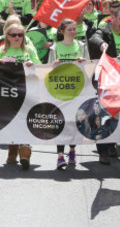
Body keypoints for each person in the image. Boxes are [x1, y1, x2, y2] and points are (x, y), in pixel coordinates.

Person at [0, 23, 40, 169]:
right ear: (7, 36)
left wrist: (33, 64)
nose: (17, 37)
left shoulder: (30, 50)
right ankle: (12, 152)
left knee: (26, 120)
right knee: (12, 122)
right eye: (14, 35)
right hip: (8, 93)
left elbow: (41, 66)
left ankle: (25, 152)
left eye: (20, 35)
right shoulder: (1, 50)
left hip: (27, 91)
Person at [88, 6, 120, 164]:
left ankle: (111, 143)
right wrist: (102, 45)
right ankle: (103, 151)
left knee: (116, 114)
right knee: (102, 115)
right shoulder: (104, 31)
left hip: (119, 81)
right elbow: (94, 38)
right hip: (105, 79)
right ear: (113, 17)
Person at [48, 19, 89, 169]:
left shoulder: (82, 46)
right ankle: (60, 156)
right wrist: (54, 66)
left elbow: (89, 68)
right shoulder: (55, 48)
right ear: (62, 31)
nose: (73, 32)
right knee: (60, 122)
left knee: (73, 122)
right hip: (59, 91)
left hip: (76, 90)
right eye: (69, 29)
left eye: (74, 29)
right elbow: (48, 70)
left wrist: (83, 63)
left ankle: (72, 151)